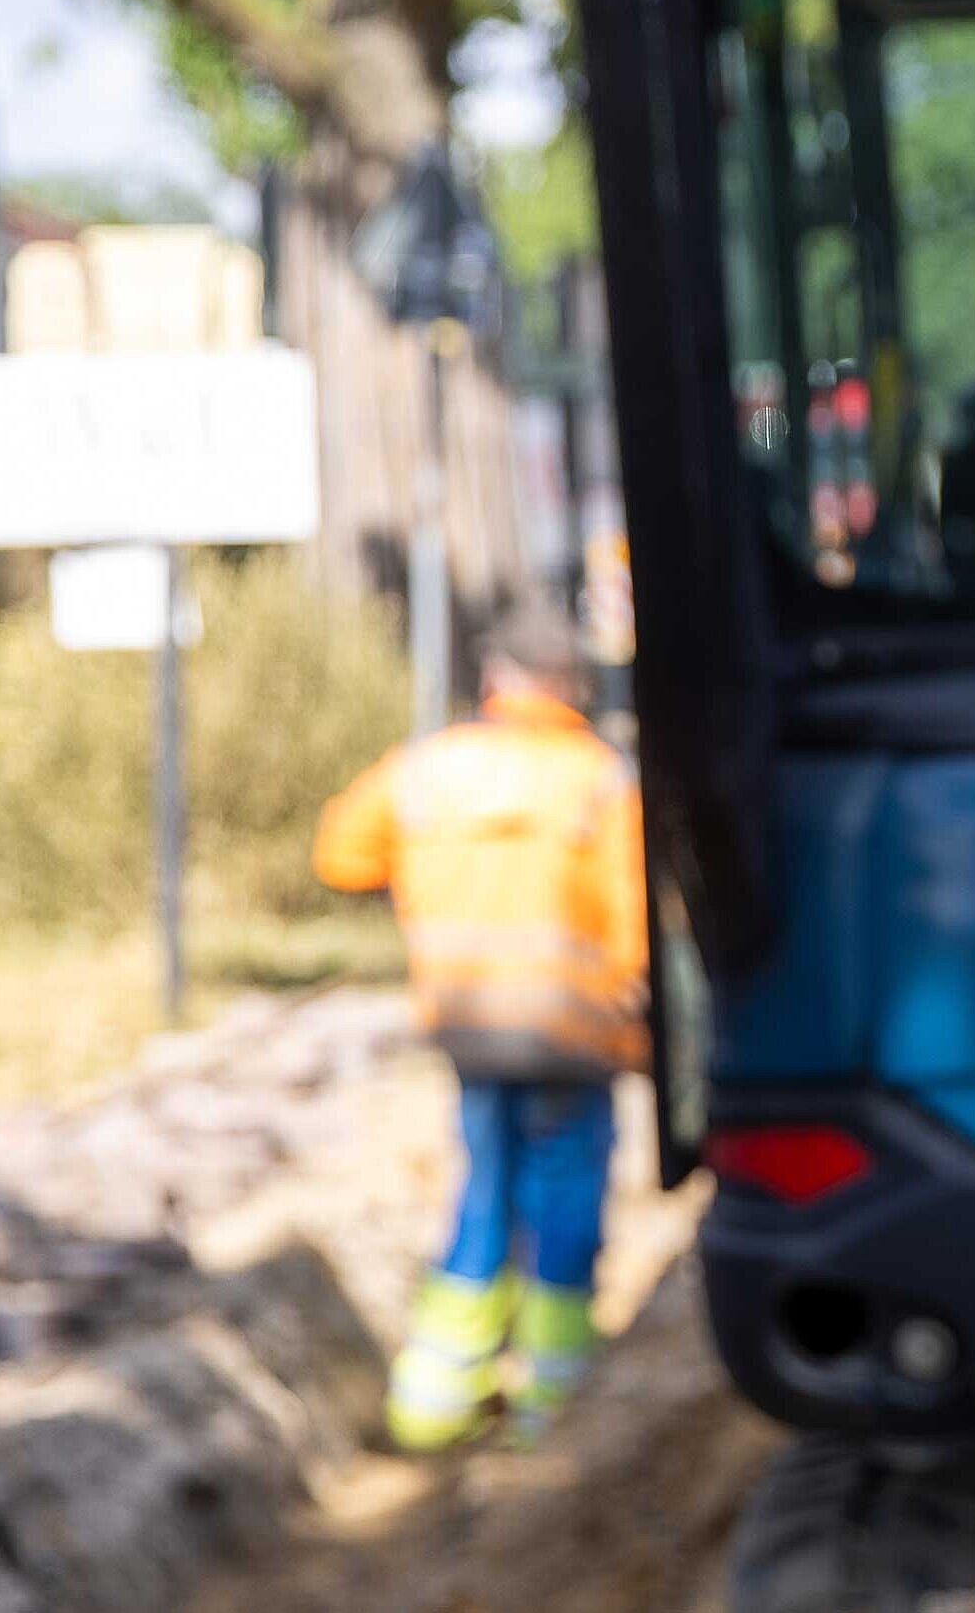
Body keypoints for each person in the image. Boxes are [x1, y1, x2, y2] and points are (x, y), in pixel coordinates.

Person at [315, 607, 649, 1451]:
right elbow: (635, 913)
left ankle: (433, 1403)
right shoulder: (600, 778)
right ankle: (555, 1406)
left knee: (486, 1186)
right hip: (571, 1034)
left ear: (496, 677)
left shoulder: (426, 768)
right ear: (571, 683)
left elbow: (341, 856)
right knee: (564, 1196)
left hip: (467, 1025)